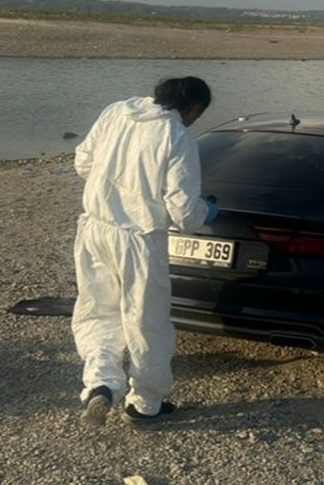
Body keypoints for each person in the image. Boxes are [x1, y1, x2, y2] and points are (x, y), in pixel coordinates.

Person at [70, 76, 218, 426]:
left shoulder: (117, 111)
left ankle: (101, 384)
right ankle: (145, 404)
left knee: (98, 311)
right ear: (193, 109)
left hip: (94, 229)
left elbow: (83, 163)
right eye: (197, 115)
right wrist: (208, 211)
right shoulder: (177, 136)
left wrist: (116, 191)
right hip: (139, 240)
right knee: (145, 322)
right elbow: (183, 212)